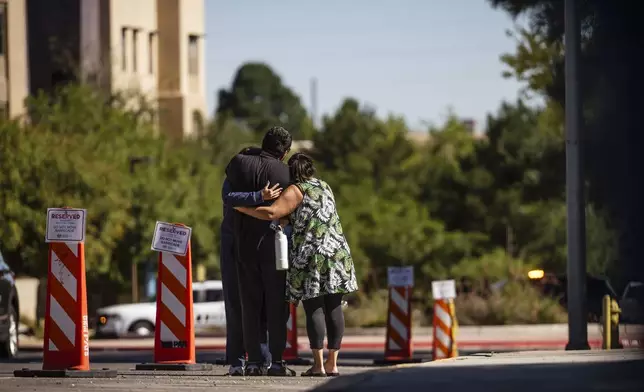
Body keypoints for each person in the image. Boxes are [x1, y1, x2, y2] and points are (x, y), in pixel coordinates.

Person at [235, 153, 359, 377]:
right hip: (338, 253)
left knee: (314, 308)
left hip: (313, 256)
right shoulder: (324, 186)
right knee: (334, 306)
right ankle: (333, 363)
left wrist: (242, 208)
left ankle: (318, 365)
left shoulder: (296, 190)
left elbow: (273, 212)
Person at [225, 126, 295, 376]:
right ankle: (277, 362)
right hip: (275, 248)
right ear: (284, 152)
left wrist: (250, 199)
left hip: (244, 245)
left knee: (249, 304)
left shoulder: (238, 163)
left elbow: (228, 197)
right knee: (277, 306)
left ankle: (253, 361)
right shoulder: (286, 172)